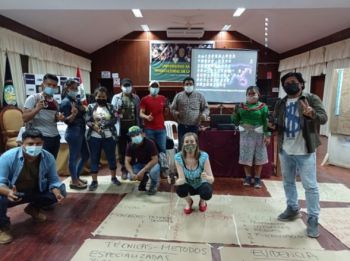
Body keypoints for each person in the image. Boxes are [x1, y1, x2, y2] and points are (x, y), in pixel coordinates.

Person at [273, 72, 327, 238]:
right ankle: (292, 208)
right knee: (288, 182)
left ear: (302, 84)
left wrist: (311, 114)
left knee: (310, 185)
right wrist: (272, 125)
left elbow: (323, 118)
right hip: (285, 149)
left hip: (305, 148)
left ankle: (312, 218)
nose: (290, 84)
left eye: (293, 82)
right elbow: (277, 122)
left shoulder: (311, 99)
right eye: (286, 83)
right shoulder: (281, 102)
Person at [0, 129, 66, 244]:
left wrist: (56, 192)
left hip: (35, 190)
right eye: (30, 144)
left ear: (43, 144)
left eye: (38, 144)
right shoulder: (7, 157)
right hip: (14, 193)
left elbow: (54, 181)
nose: (34, 147)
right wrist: (8, 192)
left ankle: (33, 208)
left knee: (62, 190)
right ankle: (3, 227)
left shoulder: (48, 157)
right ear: (22, 144)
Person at [231, 86, 270, 188]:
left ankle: (257, 178)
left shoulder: (263, 107)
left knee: (259, 156)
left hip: (259, 133)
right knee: (246, 155)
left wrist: (267, 135)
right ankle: (248, 177)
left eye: (254, 94)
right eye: (249, 94)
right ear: (246, 95)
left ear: (258, 95)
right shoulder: (240, 106)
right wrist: (234, 113)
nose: (251, 96)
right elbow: (235, 121)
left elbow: (267, 122)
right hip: (245, 133)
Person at [86, 87, 121, 191]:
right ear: (95, 97)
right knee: (94, 158)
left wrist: (106, 123)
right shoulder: (90, 107)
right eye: (99, 96)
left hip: (109, 136)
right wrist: (94, 126)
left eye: (103, 96)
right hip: (94, 137)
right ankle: (94, 181)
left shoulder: (111, 107)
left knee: (111, 157)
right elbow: (87, 120)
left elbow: (115, 119)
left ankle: (114, 178)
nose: (101, 98)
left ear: (106, 97)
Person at [22, 73, 65, 158]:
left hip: (55, 137)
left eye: (54, 85)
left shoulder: (55, 102)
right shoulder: (33, 98)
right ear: (42, 84)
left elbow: (54, 119)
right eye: (49, 84)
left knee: (51, 162)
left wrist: (59, 118)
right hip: (40, 138)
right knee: (39, 164)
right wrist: (37, 109)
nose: (51, 87)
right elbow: (24, 118)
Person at [173, 132, 214, 214]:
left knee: (207, 192)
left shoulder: (204, 156)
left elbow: (211, 180)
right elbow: (181, 179)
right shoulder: (178, 157)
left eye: (192, 141)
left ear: (196, 143)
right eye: (187, 142)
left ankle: (202, 201)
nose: (189, 144)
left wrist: (206, 177)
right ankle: (189, 202)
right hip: (188, 184)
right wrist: (174, 182)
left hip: (201, 184)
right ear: (183, 144)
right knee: (179, 189)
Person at [60, 79, 89, 190]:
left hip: (80, 131)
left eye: (76, 88)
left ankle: (76, 176)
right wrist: (73, 114)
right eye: (73, 88)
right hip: (73, 132)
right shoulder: (66, 102)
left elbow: (83, 113)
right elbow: (67, 121)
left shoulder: (75, 99)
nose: (75, 90)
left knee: (86, 155)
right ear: (67, 89)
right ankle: (74, 181)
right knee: (73, 158)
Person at [111, 78, 141, 180]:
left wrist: (140, 127)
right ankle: (124, 169)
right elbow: (112, 112)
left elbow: (138, 114)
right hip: (121, 128)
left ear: (132, 87)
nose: (127, 88)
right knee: (122, 150)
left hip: (133, 129)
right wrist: (116, 111)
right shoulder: (116, 97)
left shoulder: (136, 98)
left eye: (129, 85)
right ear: (121, 87)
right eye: (125, 85)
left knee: (134, 149)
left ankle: (131, 168)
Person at [170, 76, 209, 149]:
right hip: (182, 126)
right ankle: (181, 160)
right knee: (182, 146)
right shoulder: (178, 96)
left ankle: (193, 160)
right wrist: (176, 113)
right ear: (183, 85)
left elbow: (206, 108)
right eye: (187, 84)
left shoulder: (200, 96)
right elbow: (172, 109)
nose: (189, 86)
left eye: (190, 84)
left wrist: (204, 115)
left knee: (193, 147)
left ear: (193, 85)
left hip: (194, 126)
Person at [125, 126, 160, 195]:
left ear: (143, 134)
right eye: (132, 135)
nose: (135, 137)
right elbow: (127, 161)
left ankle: (154, 185)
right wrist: (132, 173)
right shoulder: (130, 145)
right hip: (140, 164)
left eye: (137, 134)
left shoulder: (150, 143)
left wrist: (143, 171)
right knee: (130, 176)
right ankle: (144, 179)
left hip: (152, 164)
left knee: (154, 171)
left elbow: (155, 159)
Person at [140, 81, 168, 154]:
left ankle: (163, 165)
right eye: (153, 86)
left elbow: (165, 112)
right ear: (149, 88)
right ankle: (151, 165)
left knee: (162, 149)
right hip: (149, 129)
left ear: (159, 88)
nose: (155, 88)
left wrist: (168, 109)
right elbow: (141, 113)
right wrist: (146, 117)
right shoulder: (144, 99)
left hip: (161, 129)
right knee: (149, 149)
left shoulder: (163, 98)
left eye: (156, 87)